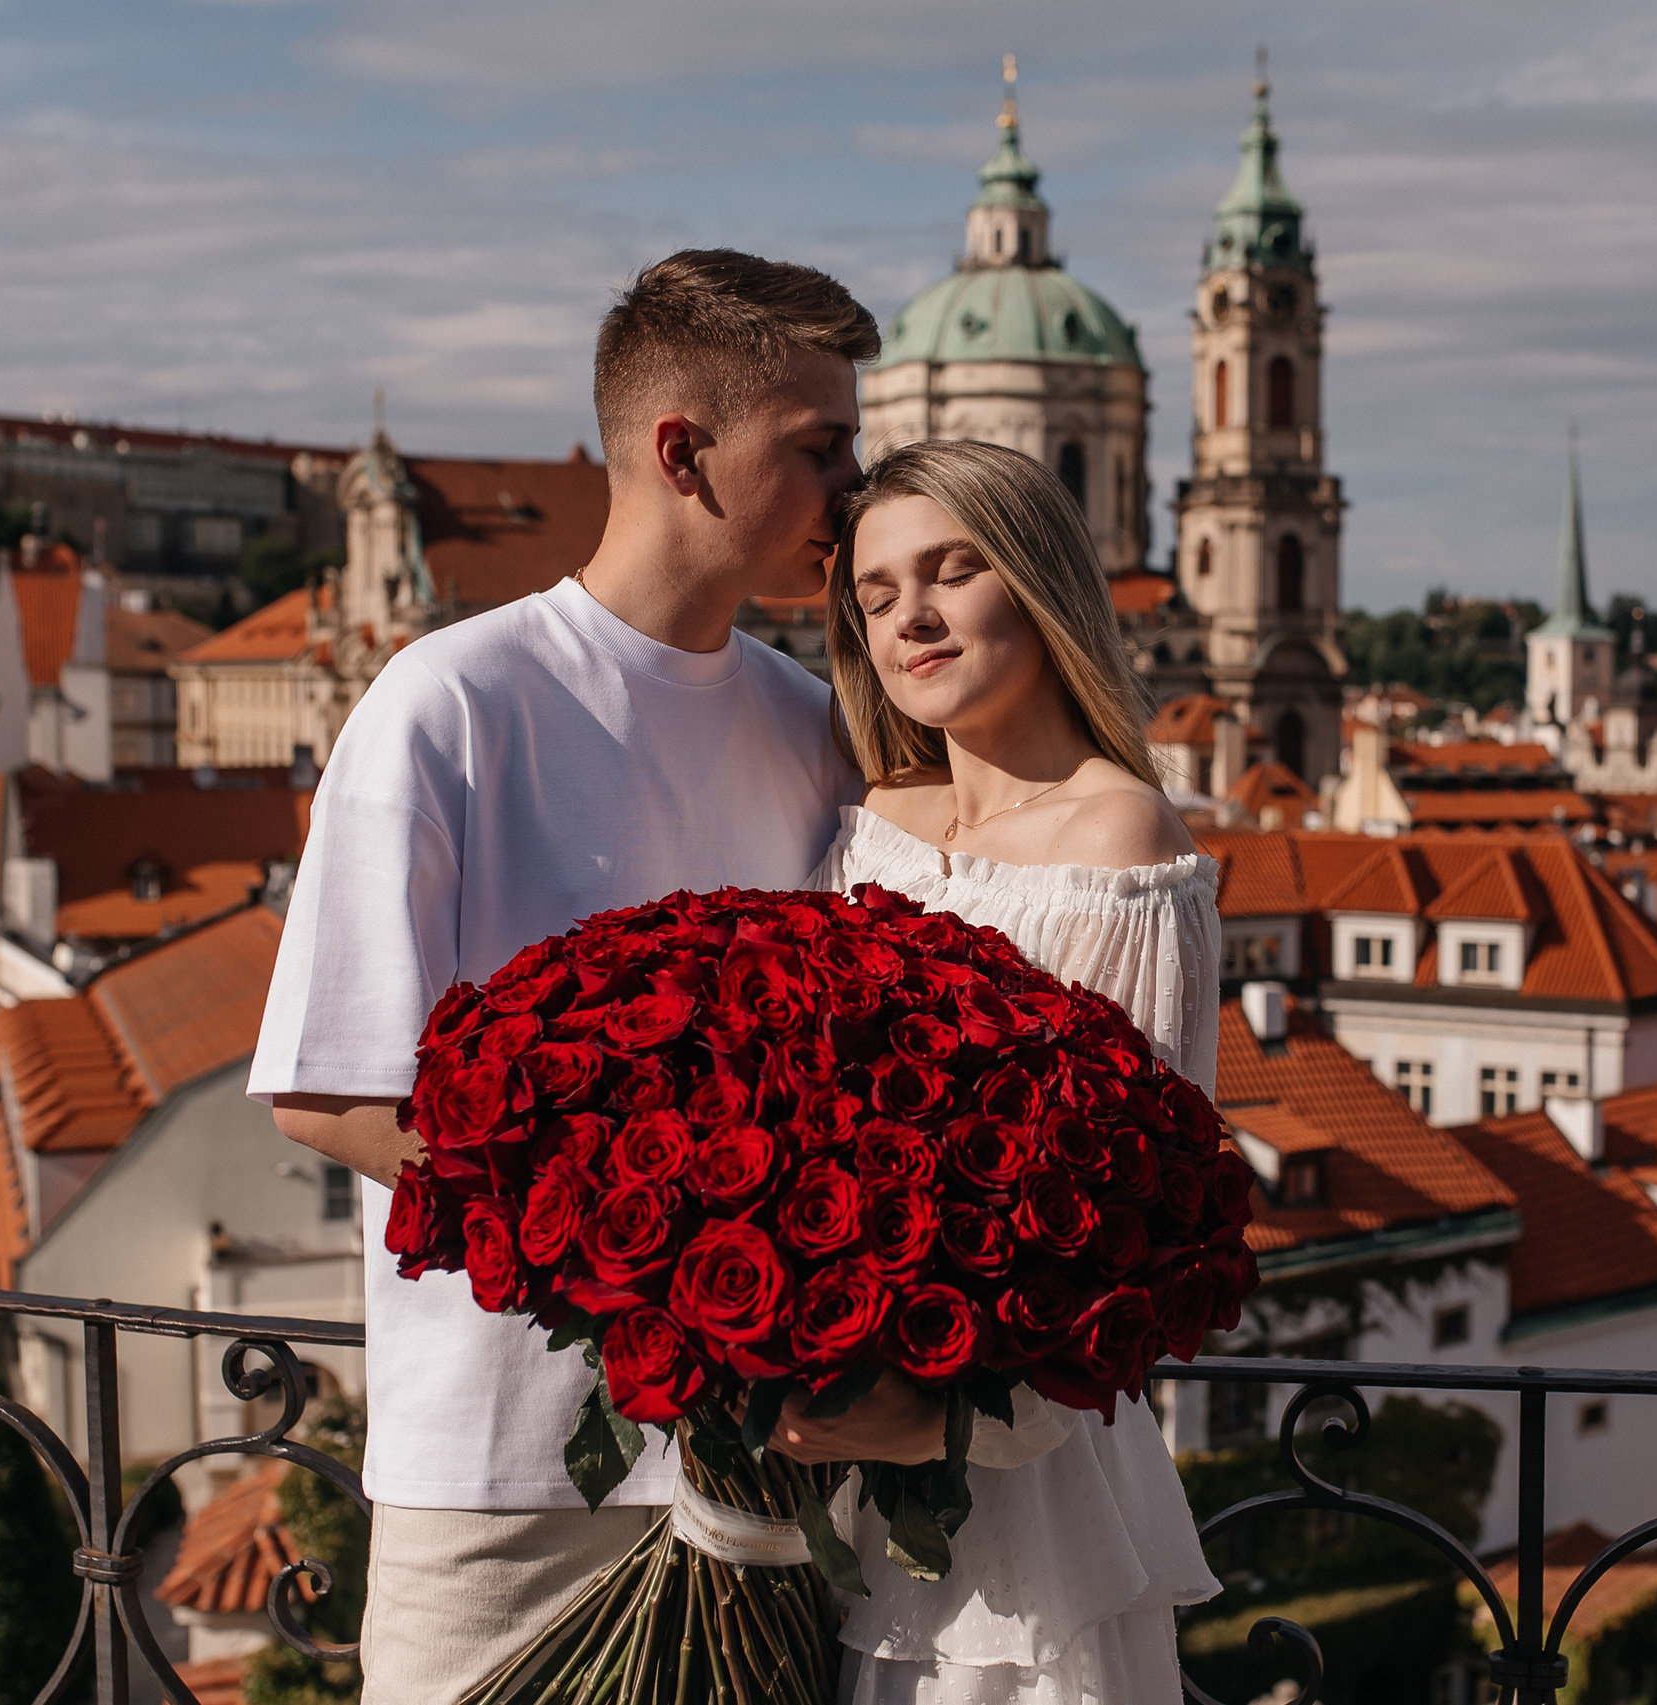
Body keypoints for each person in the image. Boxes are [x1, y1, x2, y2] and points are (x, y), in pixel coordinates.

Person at [251, 249, 948, 1704]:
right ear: (683, 453)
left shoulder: (814, 725)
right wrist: (660, 1272)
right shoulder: (450, 700)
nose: (854, 487)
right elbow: (328, 1090)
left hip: (768, 1470)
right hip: (504, 1469)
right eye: (820, 448)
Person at [794, 436, 1224, 1705]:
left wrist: (941, 1420)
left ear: (1037, 579)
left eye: (952, 570)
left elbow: (1138, 1217)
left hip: (1016, 1474)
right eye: (876, 594)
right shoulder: (871, 819)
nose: (910, 618)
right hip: (823, 1448)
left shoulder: (1119, 834)